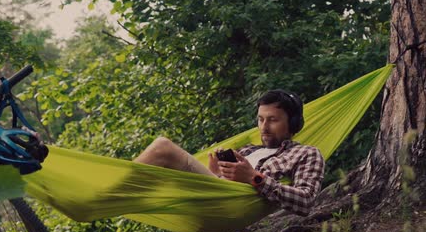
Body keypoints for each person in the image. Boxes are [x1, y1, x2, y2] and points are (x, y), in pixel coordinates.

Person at [133, 89, 325, 216]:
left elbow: (306, 201)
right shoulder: (249, 149)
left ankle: (109, 193)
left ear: (293, 123)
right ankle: (115, 195)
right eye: (260, 119)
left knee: (163, 147)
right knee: (160, 164)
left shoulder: (306, 153)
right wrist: (217, 172)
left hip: (231, 206)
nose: (264, 127)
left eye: (272, 120)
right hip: (213, 193)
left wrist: (255, 178)